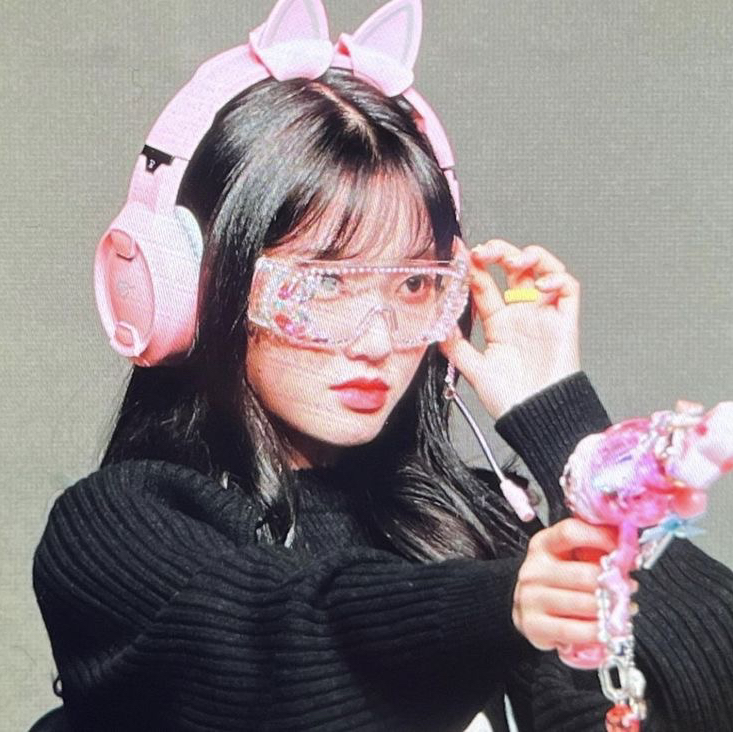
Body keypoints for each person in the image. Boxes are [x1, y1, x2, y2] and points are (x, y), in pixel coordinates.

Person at [32, 0, 733, 730]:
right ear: (203, 290)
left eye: (413, 286)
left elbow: (704, 701)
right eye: (324, 285)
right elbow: (268, 651)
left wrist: (570, 437)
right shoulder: (118, 528)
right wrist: (496, 608)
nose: (376, 341)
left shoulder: (481, 528)